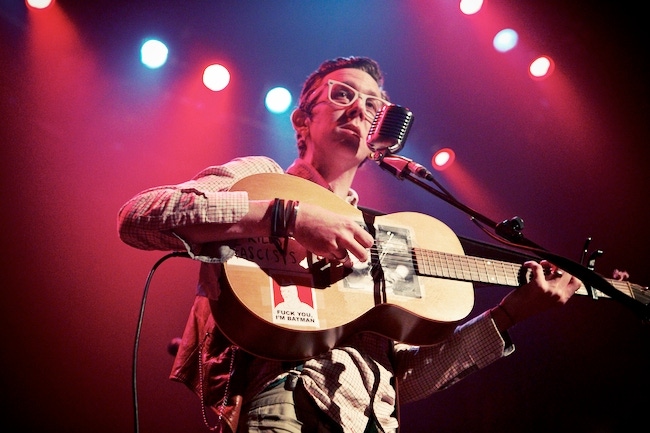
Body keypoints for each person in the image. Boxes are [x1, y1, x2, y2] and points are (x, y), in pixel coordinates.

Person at [117, 56, 582, 433]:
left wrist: (509, 315)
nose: (360, 108)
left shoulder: (387, 237)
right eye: (343, 95)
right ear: (303, 121)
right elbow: (139, 217)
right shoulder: (259, 178)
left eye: (374, 104)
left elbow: (409, 378)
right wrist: (288, 215)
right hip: (283, 408)